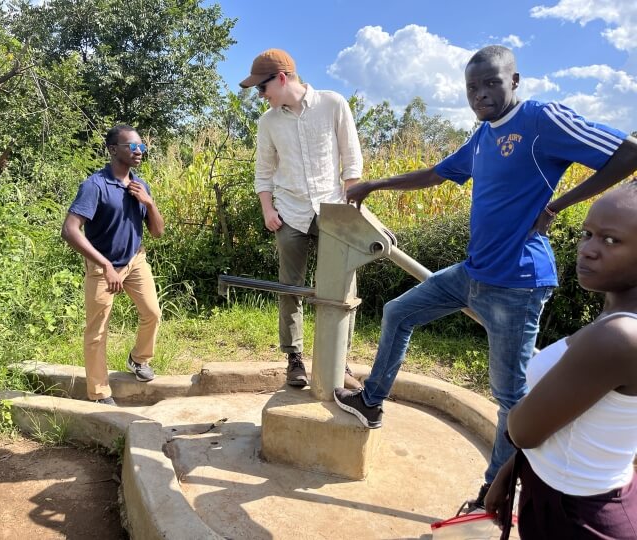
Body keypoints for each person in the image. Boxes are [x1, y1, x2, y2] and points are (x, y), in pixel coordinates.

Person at [333, 45, 637, 509]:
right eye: (472, 87)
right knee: (399, 311)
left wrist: (557, 205)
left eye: (492, 82)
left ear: (514, 81)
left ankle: (492, 494)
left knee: (510, 395)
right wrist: (374, 185)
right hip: (472, 274)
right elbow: (437, 174)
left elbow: (627, 153)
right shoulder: (482, 137)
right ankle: (372, 401)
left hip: (517, 284)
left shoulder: (541, 120)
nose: (481, 94)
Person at [485, 182, 637, 539]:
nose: (587, 250)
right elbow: (568, 425)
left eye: (611, 240)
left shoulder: (617, 338)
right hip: (564, 494)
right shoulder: (614, 320)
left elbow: (522, 429)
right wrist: (509, 473)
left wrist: (518, 405)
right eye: (587, 234)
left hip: (579, 517)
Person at [239, 49, 364, 388]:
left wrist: (352, 211)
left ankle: (341, 360)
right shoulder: (268, 122)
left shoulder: (332, 104)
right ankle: (294, 359)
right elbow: (263, 173)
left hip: (334, 213)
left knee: (342, 288)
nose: (261, 97)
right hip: (290, 214)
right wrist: (268, 209)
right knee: (289, 288)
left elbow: (352, 162)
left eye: (262, 89)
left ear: (281, 78)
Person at [61, 124, 164, 405]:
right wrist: (105, 266)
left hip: (135, 260)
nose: (139, 151)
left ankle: (138, 359)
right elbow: (69, 230)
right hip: (101, 267)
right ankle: (99, 393)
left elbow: (157, 232)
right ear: (113, 150)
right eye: (132, 146)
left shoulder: (141, 185)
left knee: (152, 313)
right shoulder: (94, 186)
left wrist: (149, 202)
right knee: (97, 331)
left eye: (141, 146)